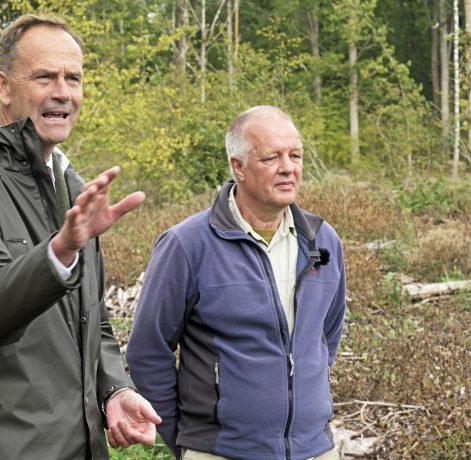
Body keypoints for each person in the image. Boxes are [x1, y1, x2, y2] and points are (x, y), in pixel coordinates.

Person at [0, 14, 161, 460]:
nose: (63, 92)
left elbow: (93, 320)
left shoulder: (73, 186)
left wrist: (113, 389)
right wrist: (60, 250)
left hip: (82, 447)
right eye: (45, 76)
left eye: (73, 78)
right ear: (4, 86)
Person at [126, 106, 346, 460]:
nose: (288, 167)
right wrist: (186, 440)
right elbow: (147, 352)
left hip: (314, 450)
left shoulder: (322, 240)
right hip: (221, 452)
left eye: (295, 156)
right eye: (272, 157)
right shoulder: (187, 245)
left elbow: (326, 337)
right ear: (238, 166)